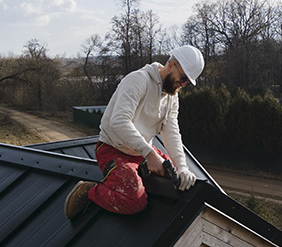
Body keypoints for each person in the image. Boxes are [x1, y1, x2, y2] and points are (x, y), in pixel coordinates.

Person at [64, 45, 204, 219]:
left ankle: (146, 168)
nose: (182, 84)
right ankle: (88, 191)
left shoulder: (172, 96)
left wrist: (182, 166)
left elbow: (172, 131)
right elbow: (119, 122)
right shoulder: (139, 80)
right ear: (171, 64)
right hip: (113, 149)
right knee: (133, 202)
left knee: (176, 179)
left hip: (141, 153)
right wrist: (149, 154)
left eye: (187, 83)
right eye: (182, 78)